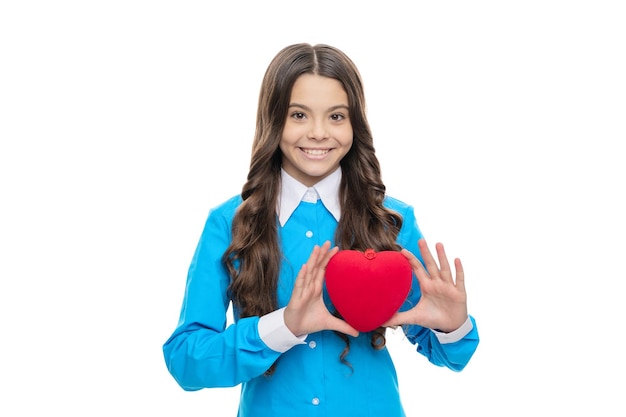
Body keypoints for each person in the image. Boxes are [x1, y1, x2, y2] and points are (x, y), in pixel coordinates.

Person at [162, 43, 479, 417]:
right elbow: (186, 362)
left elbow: (451, 358)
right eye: (298, 114)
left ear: (354, 124)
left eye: (336, 116)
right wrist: (282, 326)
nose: (317, 133)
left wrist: (452, 327)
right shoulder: (228, 223)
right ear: (273, 119)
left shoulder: (393, 220)